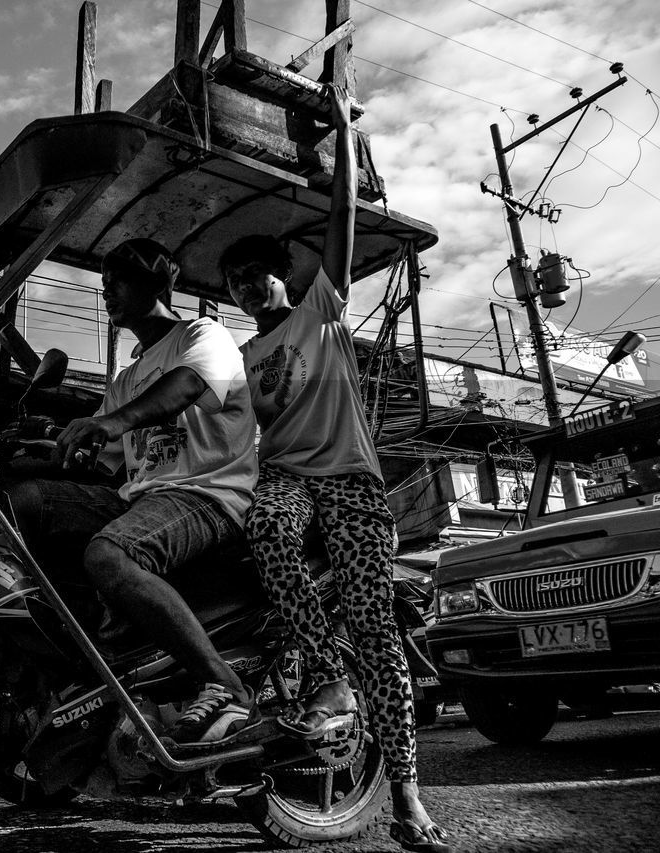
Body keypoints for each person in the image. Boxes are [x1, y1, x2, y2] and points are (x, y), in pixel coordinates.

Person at [220, 84, 448, 853]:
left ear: (283, 274)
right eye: (237, 281)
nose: (251, 285)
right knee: (267, 529)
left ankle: (408, 797)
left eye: (259, 271)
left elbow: (342, 223)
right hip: (286, 478)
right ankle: (324, 673)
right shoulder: (243, 355)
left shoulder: (321, 306)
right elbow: (227, 428)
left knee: (378, 631)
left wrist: (346, 134)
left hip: (350, 481)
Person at [10, 237, 260, 746]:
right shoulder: (125, 377)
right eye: (103, 286)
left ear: (154, 283)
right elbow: (105, 462)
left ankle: (223, 683)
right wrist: (41, 447)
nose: (108, 295)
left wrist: (110, 421)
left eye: (117, 282)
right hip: (140, 496)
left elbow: (187, 386)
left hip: (206, 493)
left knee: (109, 554)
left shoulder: (202, 334)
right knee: (21, 505)